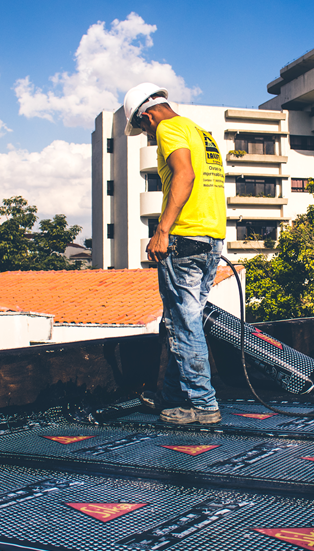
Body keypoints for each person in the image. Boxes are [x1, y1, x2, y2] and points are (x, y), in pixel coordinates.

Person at [122, 83, 227, 424]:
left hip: (184, 237)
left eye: (142, 128)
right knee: (182, 320)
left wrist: (162, 230)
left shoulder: (168, 128)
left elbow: (185, 175)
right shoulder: (200, 131)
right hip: (211, 238)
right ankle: (172, 395)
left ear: (148, 116)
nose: (147, 135)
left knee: (183, 322)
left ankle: (203, 405)